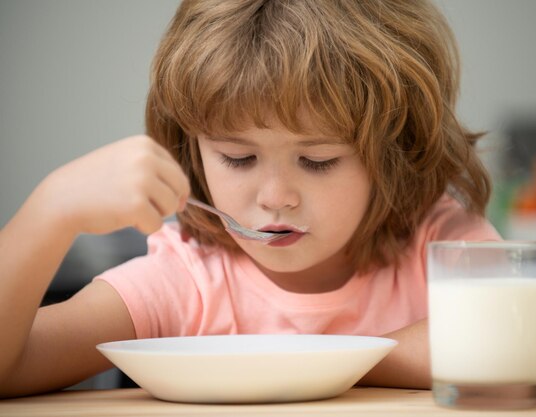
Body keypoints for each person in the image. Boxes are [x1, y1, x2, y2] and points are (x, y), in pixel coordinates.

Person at [0, 0, 500, 398]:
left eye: (319, 160)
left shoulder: (438, 236)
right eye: (238, 158)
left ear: (396, 148)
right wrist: (48, 212)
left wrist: (317, 363)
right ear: (190, 148)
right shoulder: (187, 281)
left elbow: (500, 341)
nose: (276, 198)